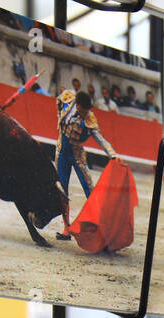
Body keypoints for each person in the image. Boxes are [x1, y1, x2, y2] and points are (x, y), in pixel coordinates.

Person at [53, 89, 119, 239]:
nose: (86, 114)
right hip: (62, 152)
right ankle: (66, 229)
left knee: (89, 189)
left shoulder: (90, 119)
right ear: (77, 106)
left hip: (77, 155)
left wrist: (113, 155)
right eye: (84, 111)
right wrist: (59, 119)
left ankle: (101, 227)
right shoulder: (67, 99)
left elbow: (100, 139)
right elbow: (58, 101)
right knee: (62, 192)